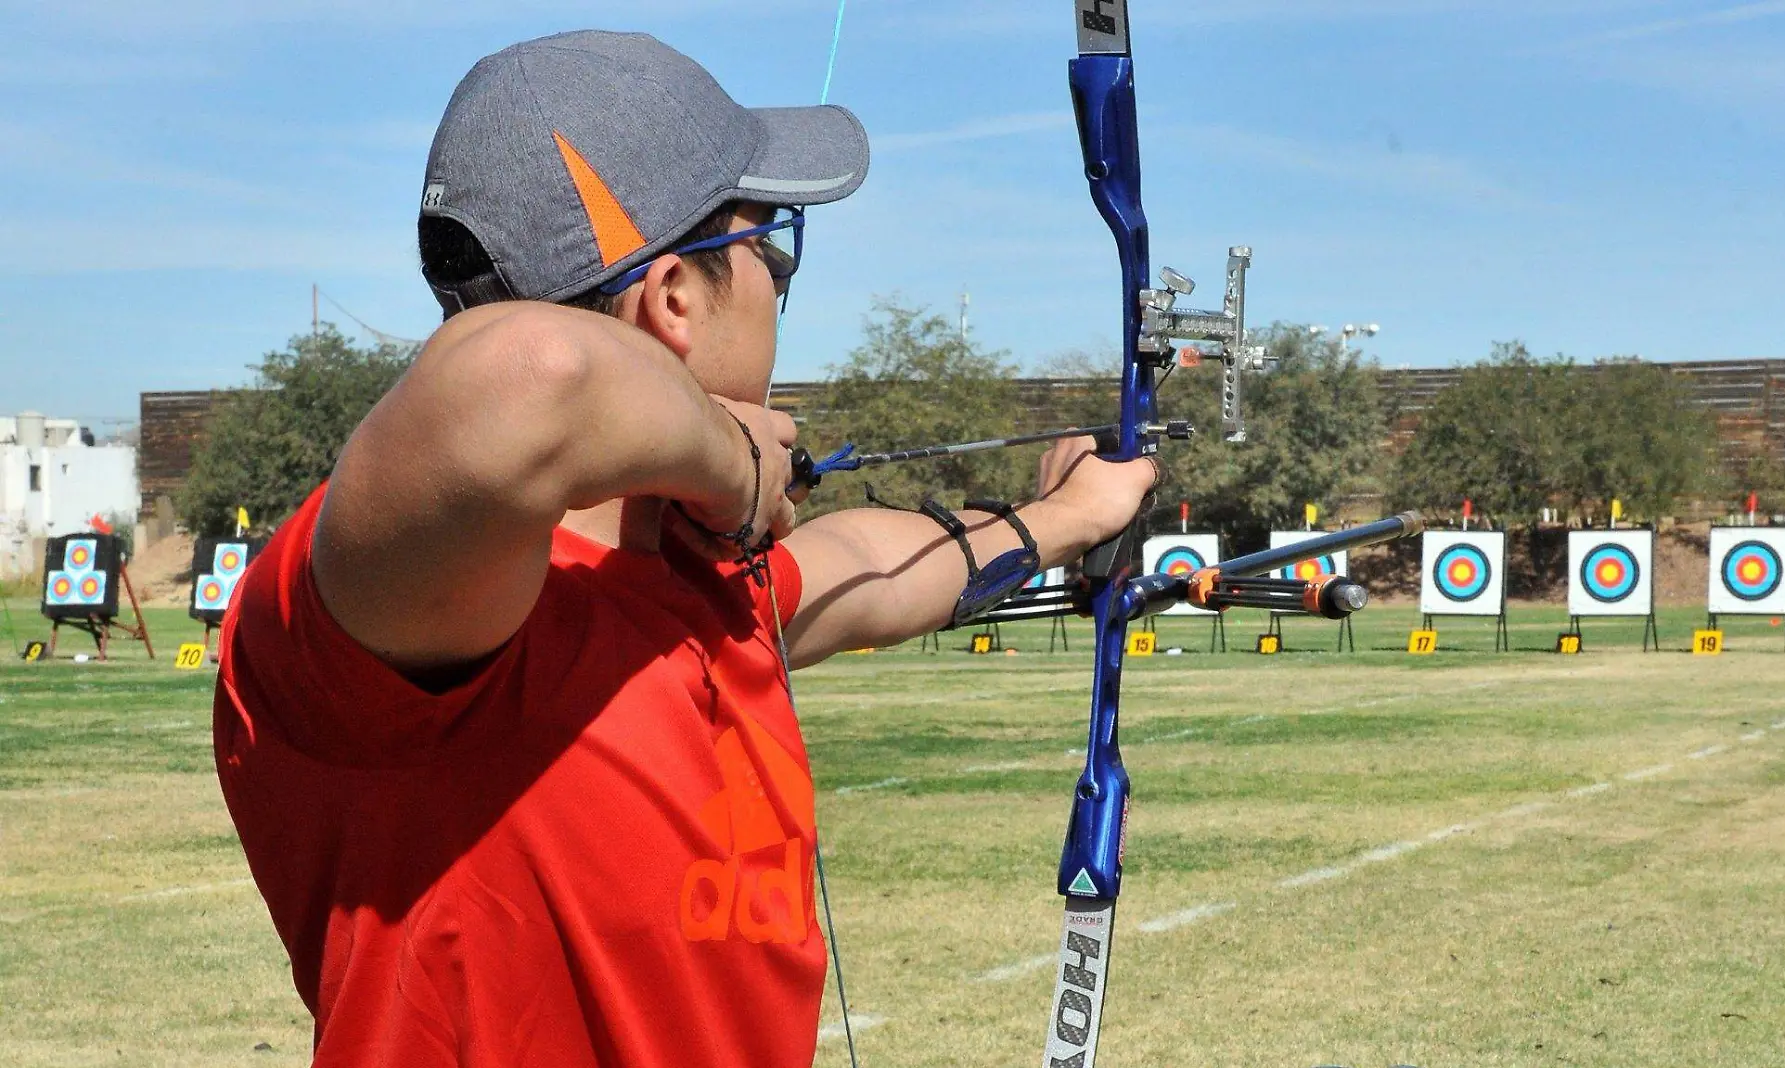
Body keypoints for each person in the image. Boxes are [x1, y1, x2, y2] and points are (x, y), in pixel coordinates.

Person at [213, 30, 1155, 1068]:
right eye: (768, 252)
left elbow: (866, 570)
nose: (779, 288)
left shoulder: (706, 585)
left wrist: (1067, 517)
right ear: (670, 299)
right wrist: (729, 462)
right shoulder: (392, 615)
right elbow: (533, 373)